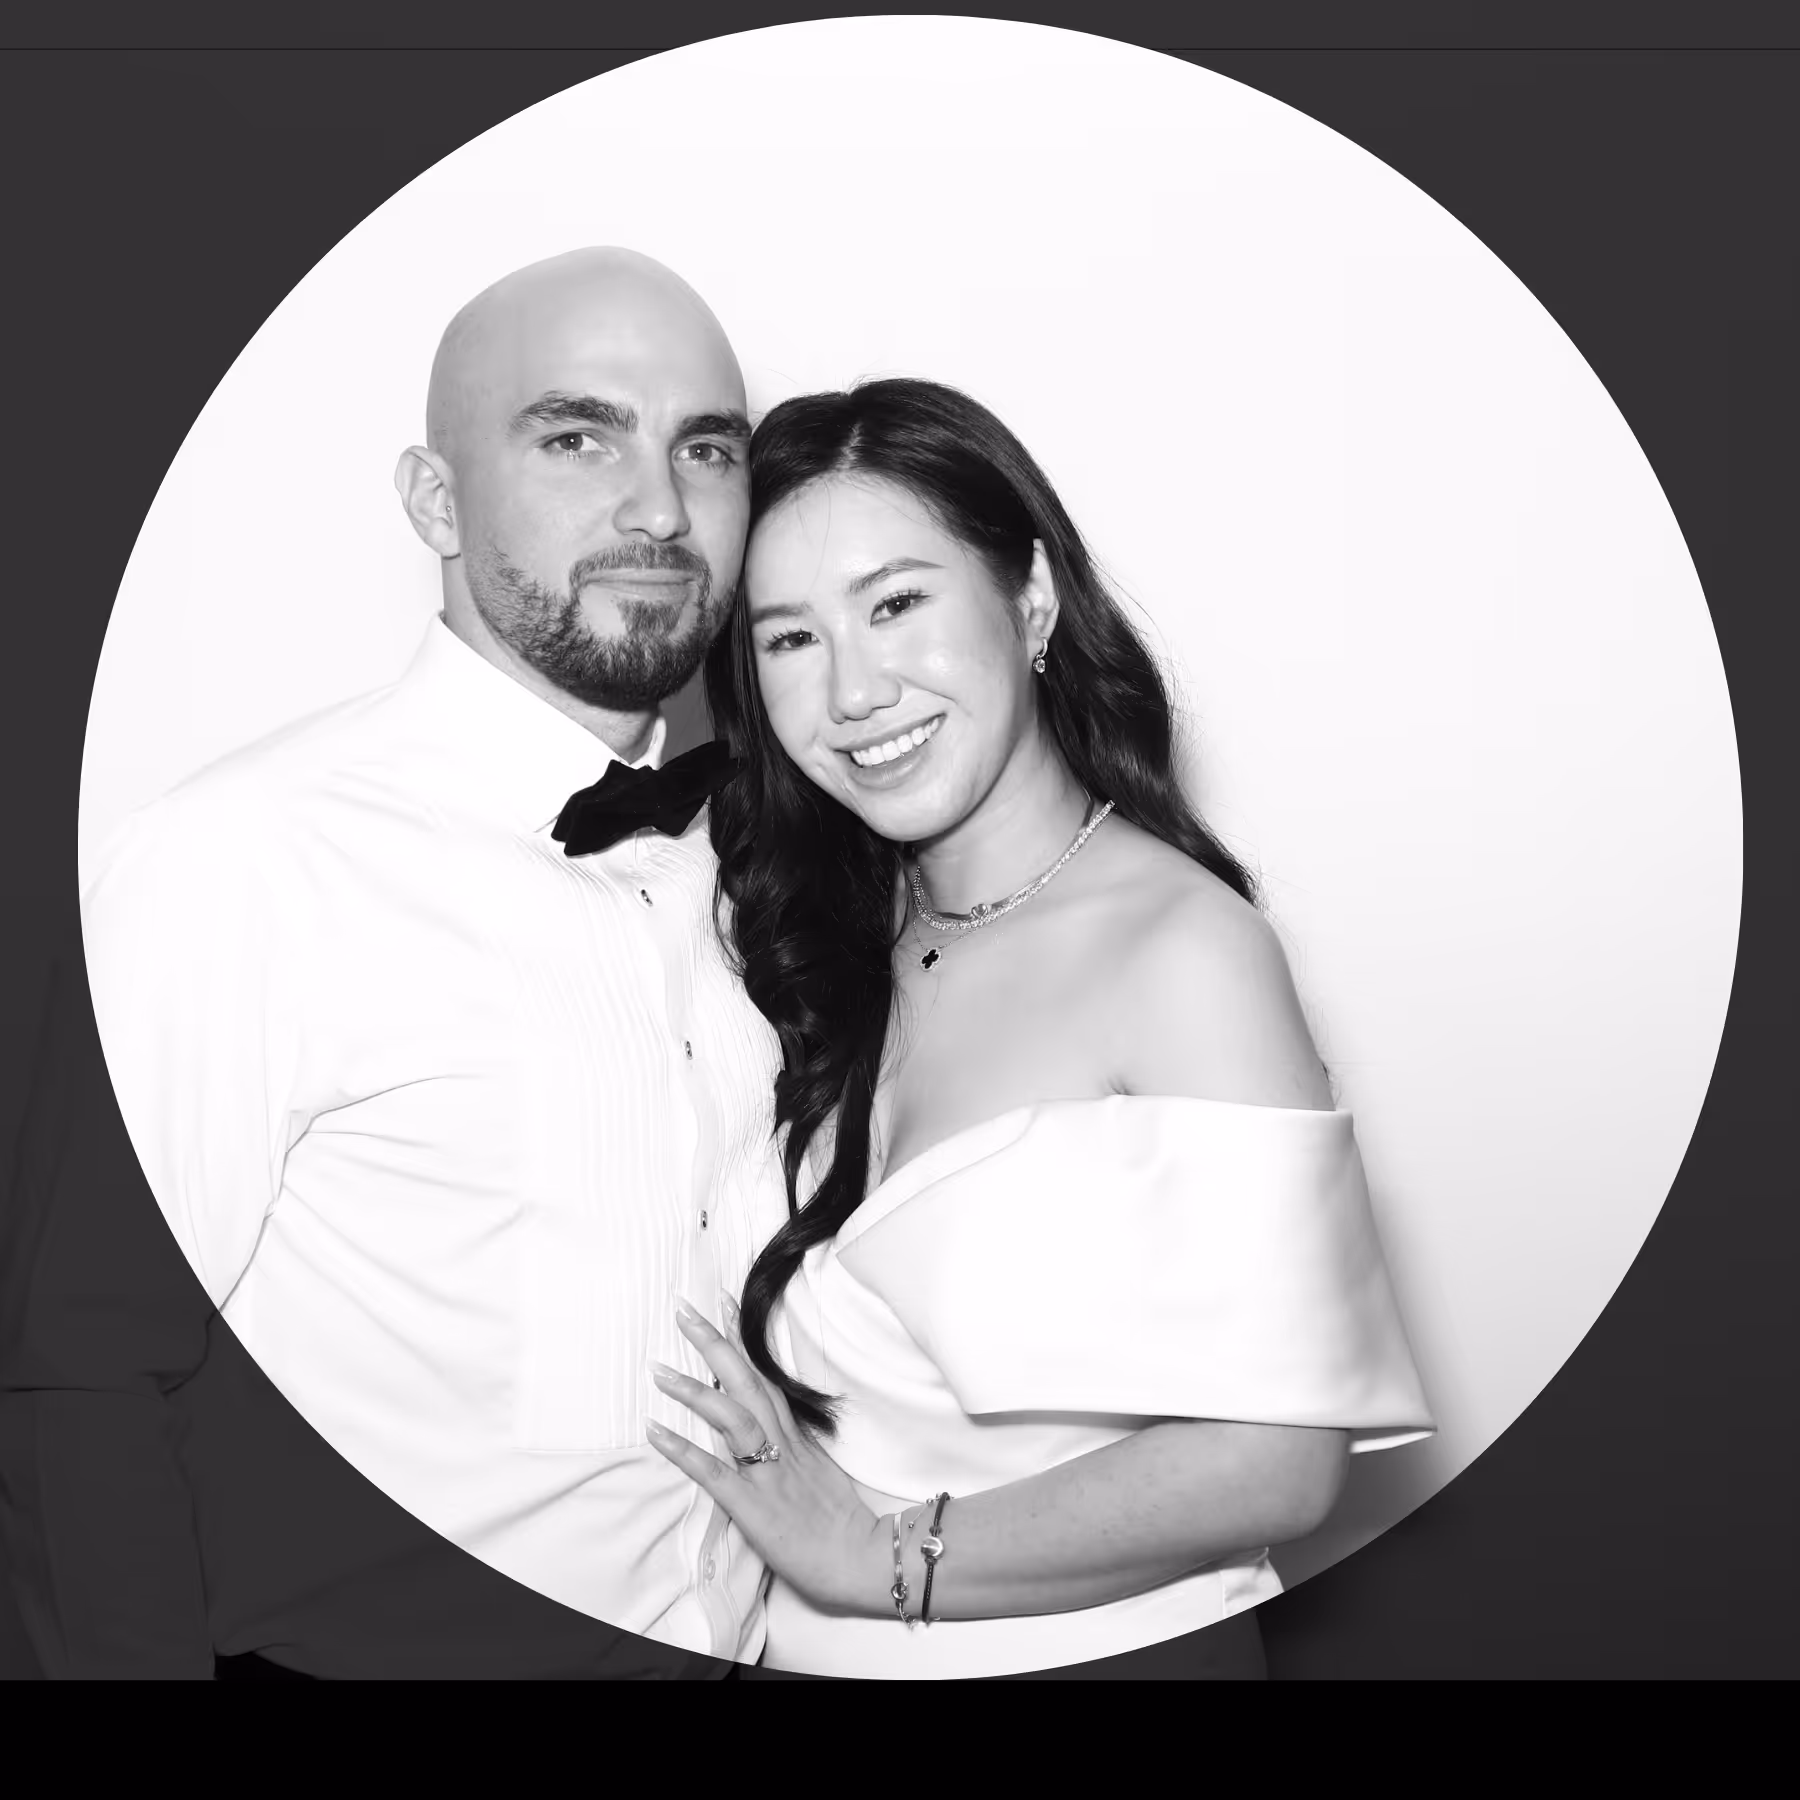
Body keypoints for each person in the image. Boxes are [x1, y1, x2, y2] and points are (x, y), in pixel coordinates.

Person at [17, 248, 791, 1677]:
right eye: (577, 436)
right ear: (436, 502)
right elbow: (75, 1379)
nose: (660, 510)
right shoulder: (243, 859)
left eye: (706, 449)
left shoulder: (757, 868)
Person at [645, 378, 1435, 1680]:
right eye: (789, 640)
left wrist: (880, 1557)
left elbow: (1279, 1457)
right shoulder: (820, 936)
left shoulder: (1183, 954)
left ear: (1030, 602)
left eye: (897, 604)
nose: (854, 691)